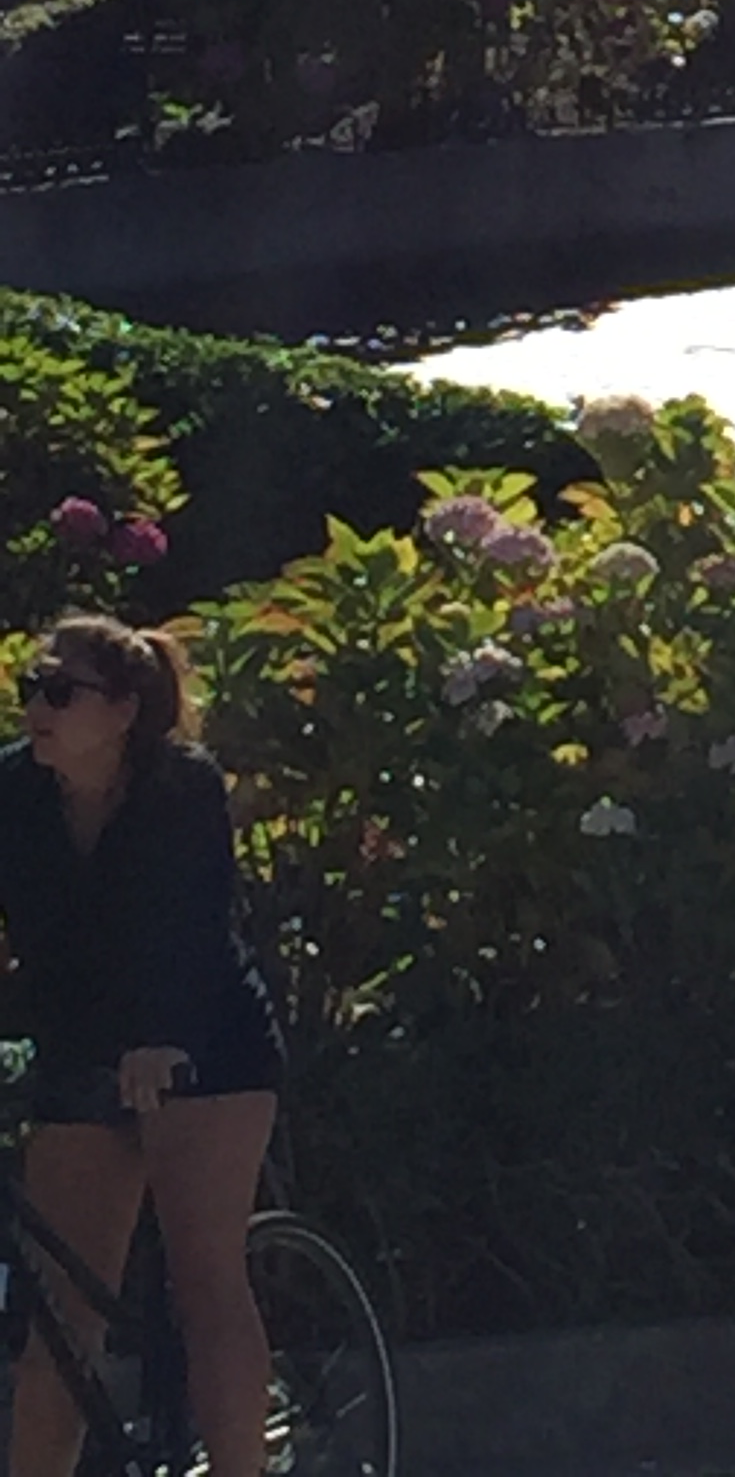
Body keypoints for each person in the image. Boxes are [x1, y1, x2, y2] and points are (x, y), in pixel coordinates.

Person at [0, 615, 286, 1477]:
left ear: (123, 711)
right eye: (30, 689)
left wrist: (159, 1038)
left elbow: (190, 928)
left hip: (201, 1038)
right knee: (59, 1321)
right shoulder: (14, 790)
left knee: (205, 1282)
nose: (37, 708)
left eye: (60, 692)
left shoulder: (181, 787)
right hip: (83, 1041)